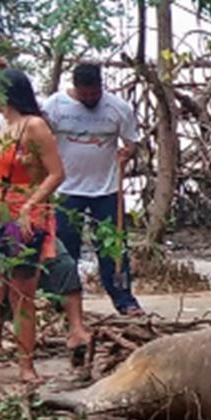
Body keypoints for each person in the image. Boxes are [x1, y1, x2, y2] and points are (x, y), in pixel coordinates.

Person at [0, 69, 83, 389]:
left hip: (26, 216)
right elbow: (3, 174)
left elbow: (55, 173)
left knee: (23, 294)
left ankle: (26, 366)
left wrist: (33, 203)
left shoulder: (34, 126)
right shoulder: (4, 128)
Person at [45, 62, 144, 315]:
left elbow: (132, 142)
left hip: (106, 188)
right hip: (66, 189)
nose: (90, 98)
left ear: (101, 86)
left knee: (113, 248)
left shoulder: (117, 108)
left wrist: (127, 154)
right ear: (75, 87)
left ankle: (124, 299)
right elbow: (41, 140)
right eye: (85, 94)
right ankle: (61, 302)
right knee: (66, 249)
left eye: (95, 93)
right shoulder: (55, 106)